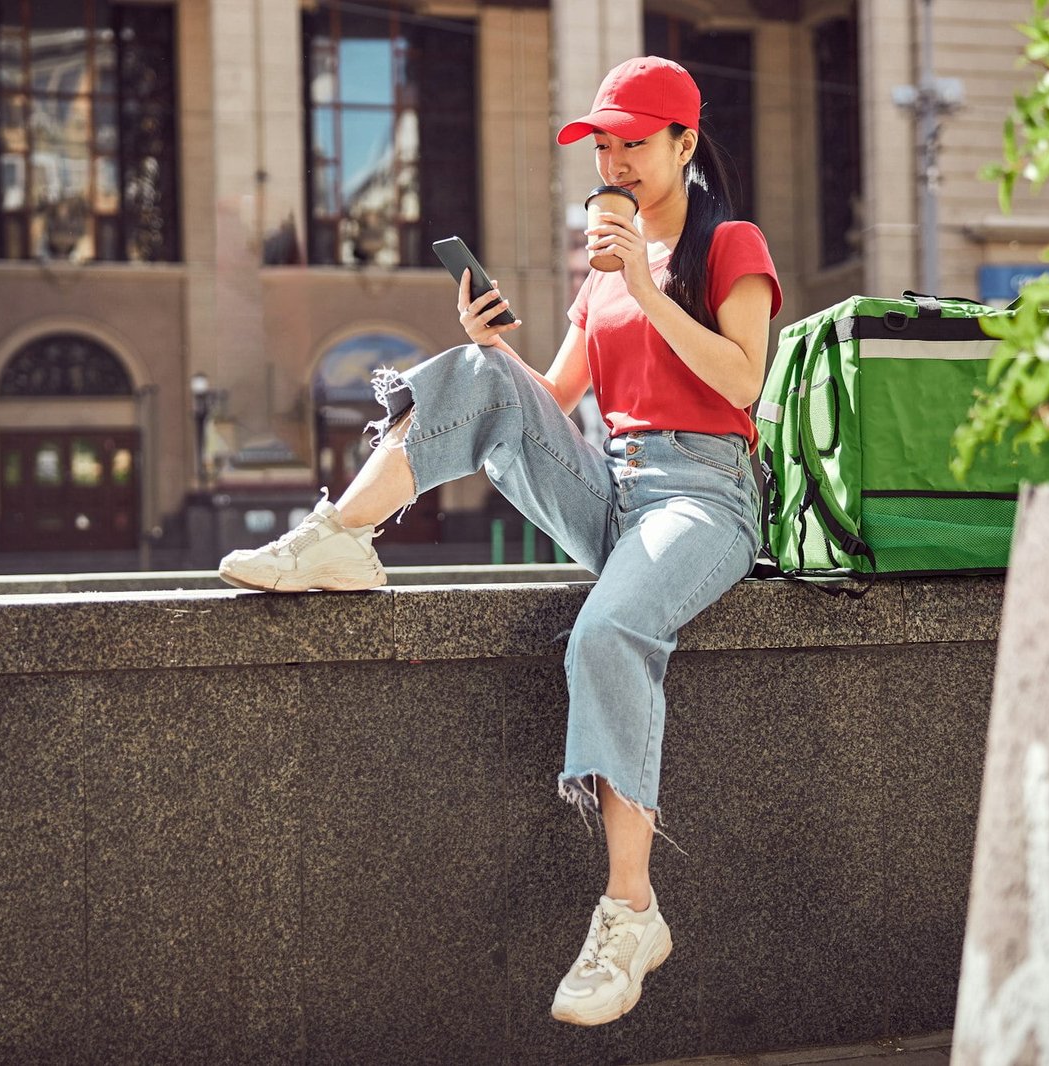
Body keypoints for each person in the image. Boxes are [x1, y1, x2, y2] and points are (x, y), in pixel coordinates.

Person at [218, 55, 782, 1026]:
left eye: (634, 142)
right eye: (602, 144)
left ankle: (630, 910)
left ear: (686, 144)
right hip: (613, 486)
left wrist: (645, 288)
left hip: (705, 496)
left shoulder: (728, 243)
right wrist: (488, 344)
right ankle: (340, 534)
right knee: (480, 373)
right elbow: (550, 402)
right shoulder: (601, 274)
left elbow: (740, 382)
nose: (614, 161)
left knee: (608, 634)